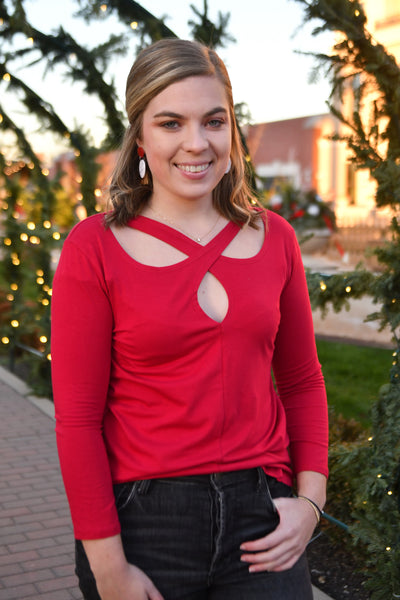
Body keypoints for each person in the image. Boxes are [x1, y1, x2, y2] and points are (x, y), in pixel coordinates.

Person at [51, 38, 328, 600]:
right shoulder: (94, 247)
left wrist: (311, 503)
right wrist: (109, 566)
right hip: (143, 524)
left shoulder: (275, 237)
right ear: (141, 136)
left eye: (214, 121)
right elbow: (78, 420)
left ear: (232, 130)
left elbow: (302, 381)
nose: (196, 143)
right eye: (171, 123)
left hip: (263, 515)